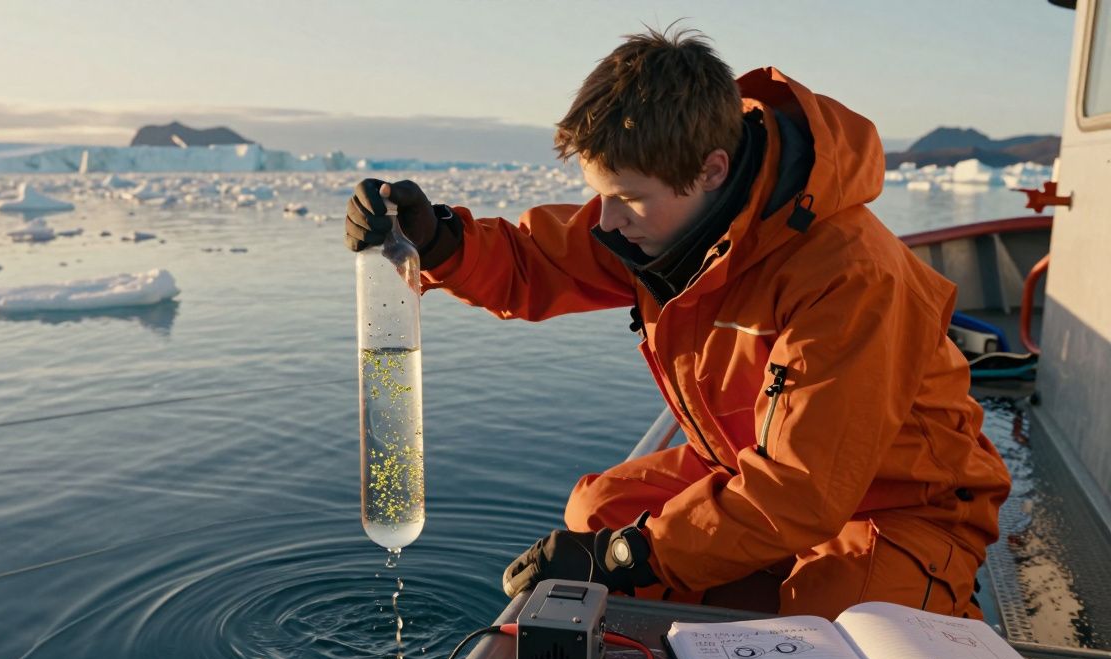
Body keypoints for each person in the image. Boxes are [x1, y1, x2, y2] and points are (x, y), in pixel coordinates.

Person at [343, 27, 1011, 620]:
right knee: (596, 516)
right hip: (750, 466)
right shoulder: (668, 223)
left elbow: (802, 489)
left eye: (627, 197)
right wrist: (439, 242)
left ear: (711, 170)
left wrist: (628, 558)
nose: (605, 220)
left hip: (896, 506)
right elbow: (537, 261)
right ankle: (737, 591)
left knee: (834, 637)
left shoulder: (849, 276)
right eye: (600, 192)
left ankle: (926, 601)